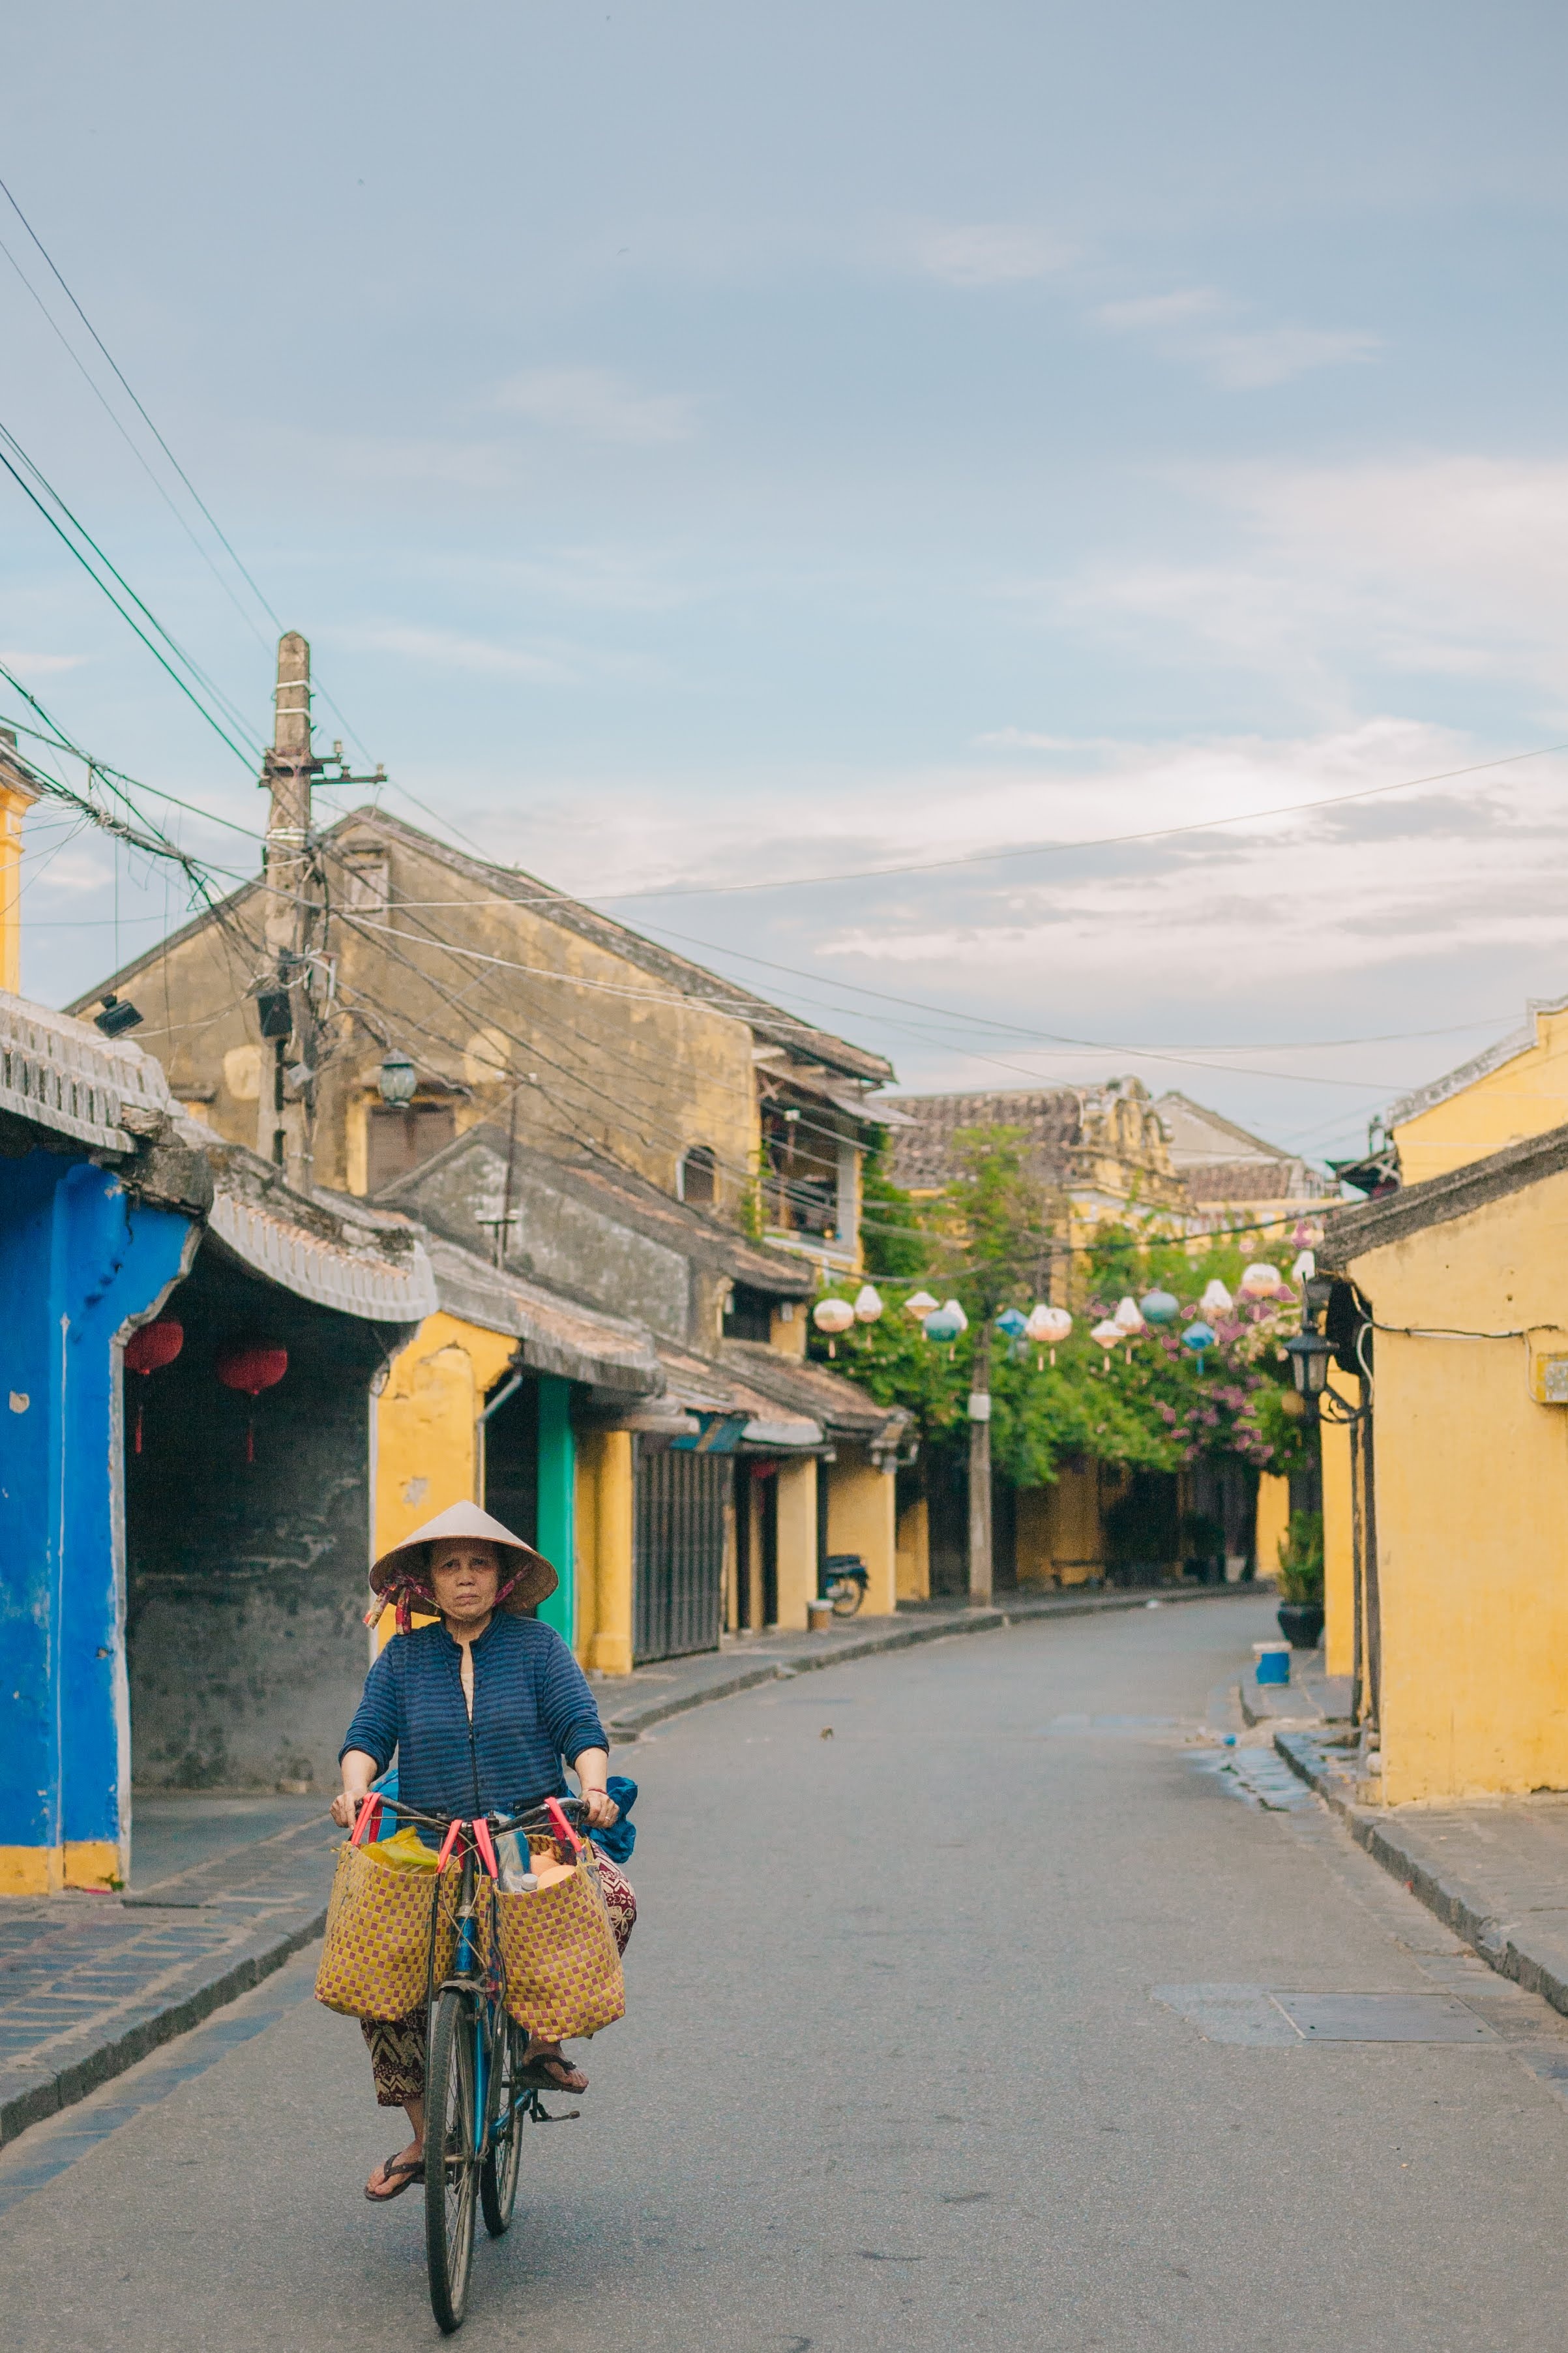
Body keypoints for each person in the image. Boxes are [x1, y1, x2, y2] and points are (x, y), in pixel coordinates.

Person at [333, 1500, 632, 2204]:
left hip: (524, 1841)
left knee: (614, 1900)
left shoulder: (537, 1648)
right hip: (428, 1845)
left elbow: (579, 1727)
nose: (463, 1577)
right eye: (448, 1565)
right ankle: (425, 2131)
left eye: (478, 1563)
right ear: (427, 1583)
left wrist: (592, 1787)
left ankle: (538, 2042)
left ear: (501, 1578)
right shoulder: (402, 1658)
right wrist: (353, 1791)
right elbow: (366, 1736)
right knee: (374, 1965)